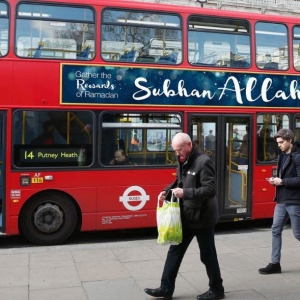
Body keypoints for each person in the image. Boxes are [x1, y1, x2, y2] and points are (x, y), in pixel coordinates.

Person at [144, 132, 224, 300]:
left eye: (179, 150)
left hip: (203, 218)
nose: (177, 153)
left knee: (208, 255)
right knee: (174, 251)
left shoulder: (204, 162)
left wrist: (185, 193)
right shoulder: (182, 159)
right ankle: (165, 288)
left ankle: (217, 289)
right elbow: (179, 181)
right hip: (186, 215)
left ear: (189, 145)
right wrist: (166, 191)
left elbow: (210, 190)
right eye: (175, 150)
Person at [259, 129, 300, 275]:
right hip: (281, 200)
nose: (279, 145)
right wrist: (274, 181)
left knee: (298, 234)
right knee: (275, 230)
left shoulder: (298, 156)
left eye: (281, 142)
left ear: (290, 140)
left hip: (295, 201)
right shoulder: (282, 155)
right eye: (278, 143)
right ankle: (275, 263)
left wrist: (281, 181)